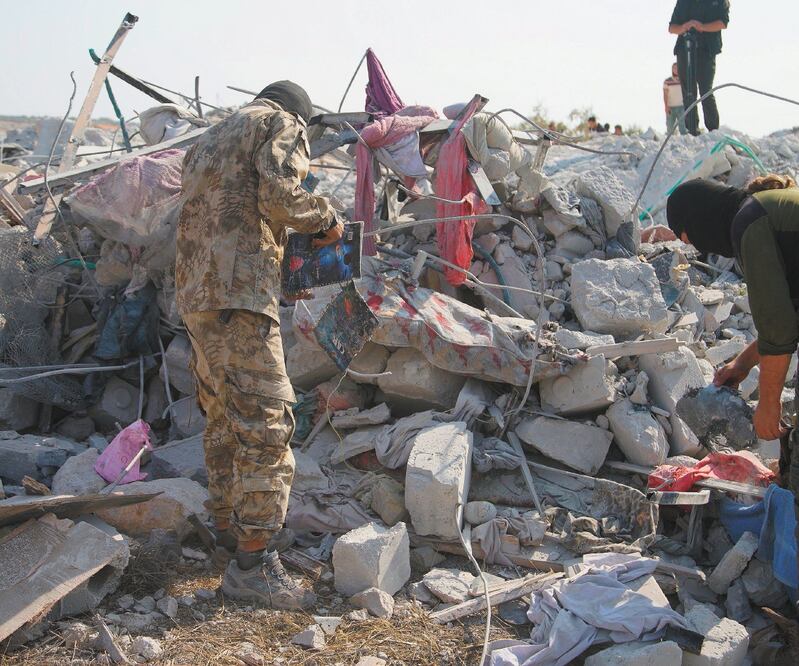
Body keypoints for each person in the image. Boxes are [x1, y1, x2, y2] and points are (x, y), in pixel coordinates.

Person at [176, 80, 343, 610]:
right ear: (302, 115)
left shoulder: (205, 141)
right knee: (269, 425)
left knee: (224, 417)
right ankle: (253, 565)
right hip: (240, 295)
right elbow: (279, 195)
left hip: (197, 296)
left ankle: (230, 530)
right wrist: (328, 221)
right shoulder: (281, 124)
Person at [666, 175, 799, 493]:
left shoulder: (750, 221)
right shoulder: (770, 210)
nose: (694, 245)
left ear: (702, 217)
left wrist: (768, 404)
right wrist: (743, 364)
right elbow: (791, 313)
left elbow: (779, 326)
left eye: (690, 237)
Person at [668, 0, 730, 135]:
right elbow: (672, 27)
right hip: (684, 48)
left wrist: (702, 26)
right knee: (688, 91)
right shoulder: (683, 2)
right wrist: (685, 26)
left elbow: (722, 23)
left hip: (706, 50)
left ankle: (713, 129)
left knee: (705, 90)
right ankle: (692, 130)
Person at [663, 62, 687, 135]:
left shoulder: (683, 80)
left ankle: (684, 142)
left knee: (683, 127)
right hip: (671, 107)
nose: (675, 70)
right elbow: (665, 94)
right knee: (670, 127)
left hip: (681, 106)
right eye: (674, 68)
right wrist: (666, 106)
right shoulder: (667, 81)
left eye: (677, 68)